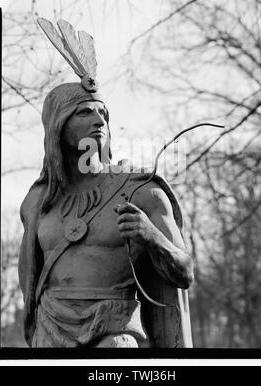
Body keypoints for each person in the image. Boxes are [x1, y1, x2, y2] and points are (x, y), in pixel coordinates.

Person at [18, 19, 194, 348]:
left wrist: (150, 235)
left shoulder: (142, 190)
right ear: (58, 126)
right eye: (85, 112)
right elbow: (29, 286)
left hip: (117, 330)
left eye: (103, 114)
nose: (99, 121)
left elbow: (184, 273)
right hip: (49, 330)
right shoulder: (38, 202)